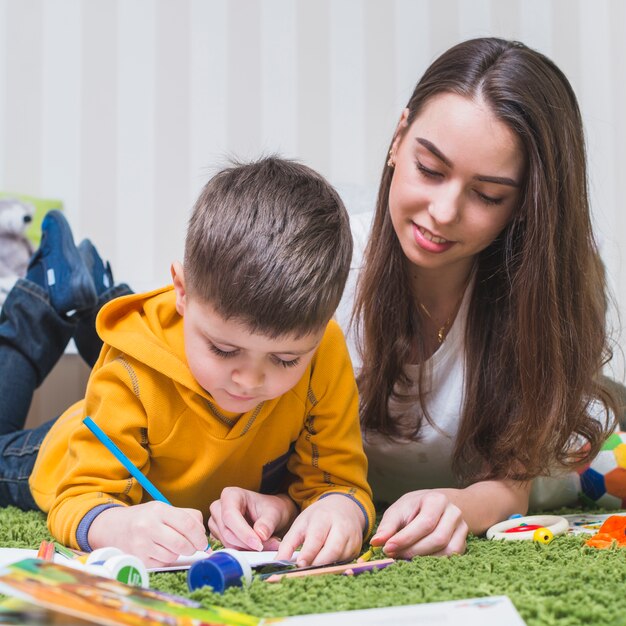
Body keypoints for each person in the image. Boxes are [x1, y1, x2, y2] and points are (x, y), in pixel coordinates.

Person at [0, 157, 374, 568]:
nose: (249, 381)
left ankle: (91, 295)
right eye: (223, 350)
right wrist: (117, 525)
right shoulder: (129, 370)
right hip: (62, 449)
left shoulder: (324, 350)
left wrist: (339, 507)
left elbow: (337, 482)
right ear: (182, 292)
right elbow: (78, 497)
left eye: (285, 360)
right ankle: (40, 301)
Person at [335, 37, 618, 560]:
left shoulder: (543, 297)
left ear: (525, 207)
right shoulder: (328, 267)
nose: (443, 212)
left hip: (558, 462)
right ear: (399, 140)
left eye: (487, 195)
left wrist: (460, 507)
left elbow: (511, 488)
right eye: (430, 169)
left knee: (599, 447)